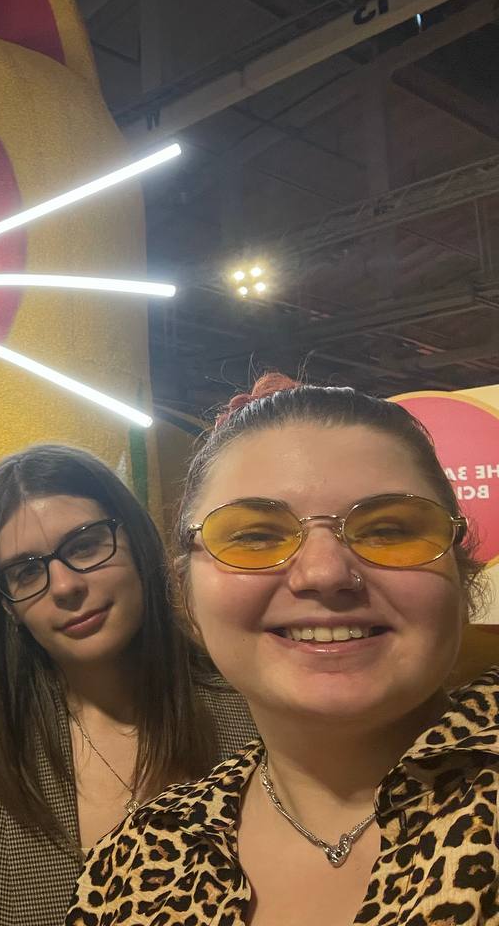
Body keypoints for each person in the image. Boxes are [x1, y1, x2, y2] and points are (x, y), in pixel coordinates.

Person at [65, 375, 494, 926]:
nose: (324, 573)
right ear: (187, 598)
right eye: (255, 537)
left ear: (462, 573)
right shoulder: (129, 864)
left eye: (388, 530)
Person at [0, 443, 259, 925]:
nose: (65, 586)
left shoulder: (250, 705)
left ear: (136, 540)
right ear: (7, 605)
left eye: (85, 546)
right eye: (27, 571)